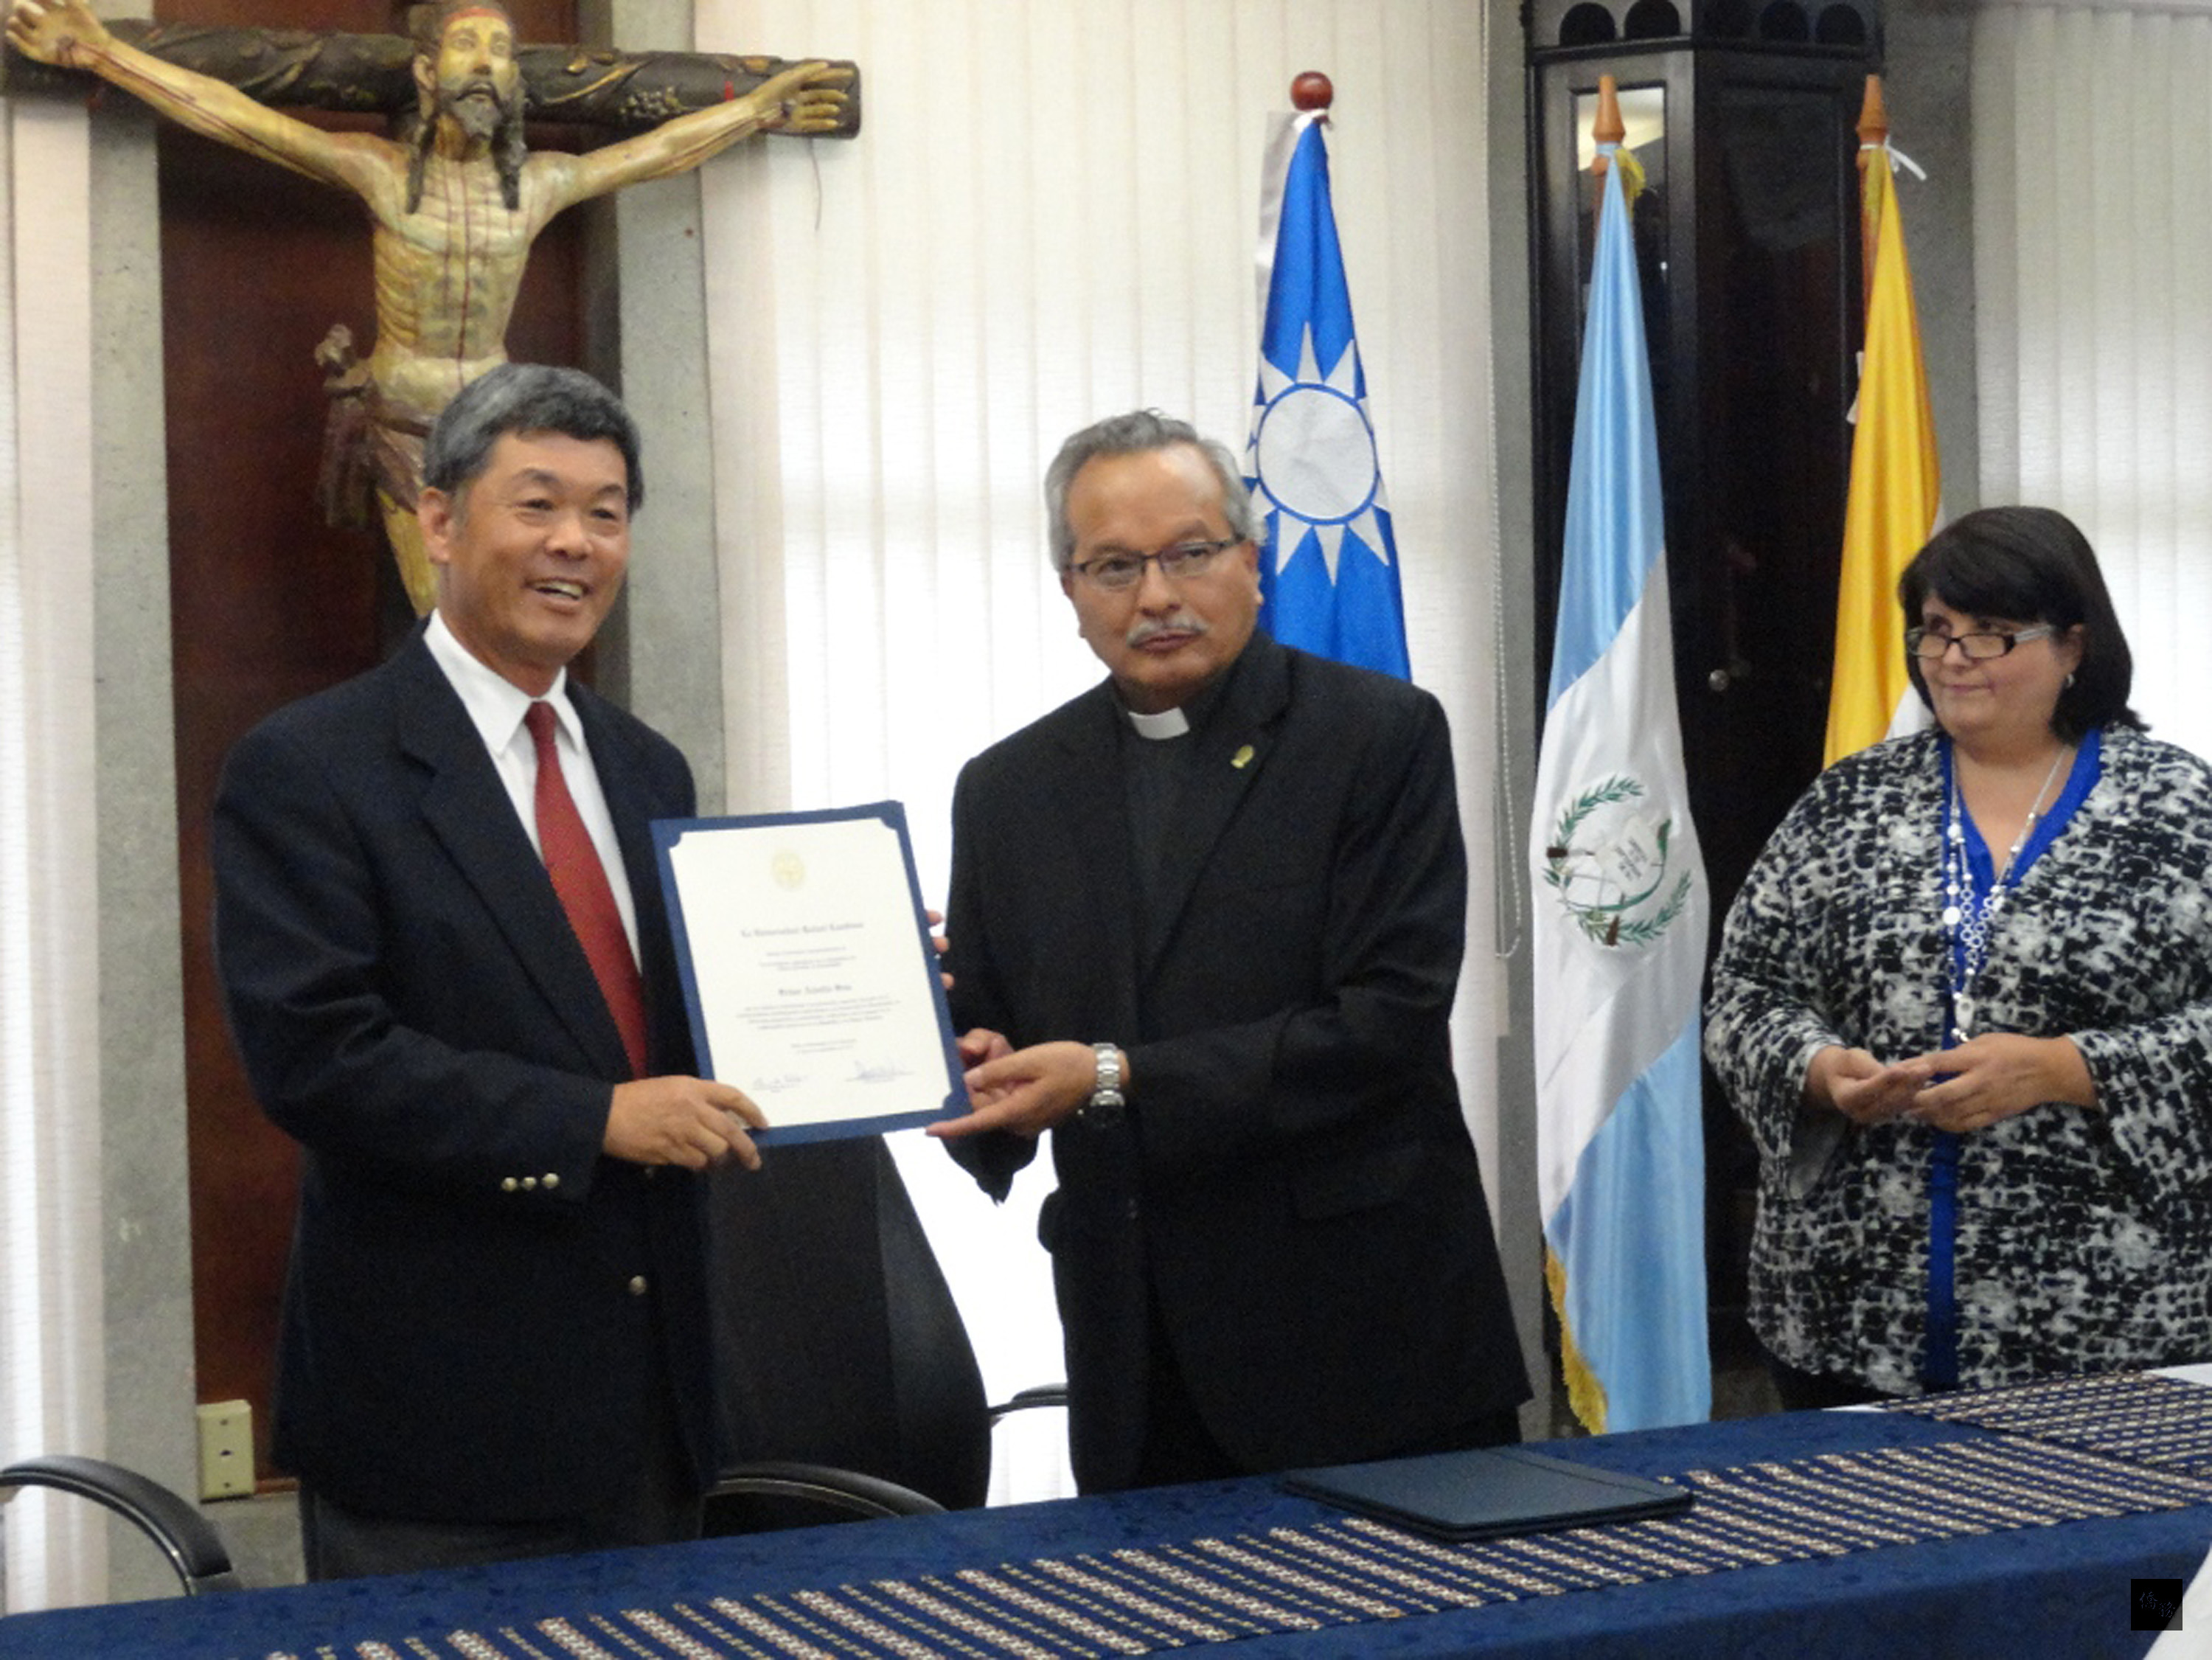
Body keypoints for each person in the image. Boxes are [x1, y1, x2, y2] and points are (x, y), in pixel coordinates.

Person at [212, 364, 765, 1579]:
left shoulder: (646, 766)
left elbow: (661, 1035)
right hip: (439, 1424)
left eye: (608, 512)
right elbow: (319, 1058)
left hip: (651, 1414)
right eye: (538, 503)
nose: (576, 541)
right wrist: (594, 1120)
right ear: (442, 519)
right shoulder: (311, 766)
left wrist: (870, 1002)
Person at [932, 409, 1528, 1493]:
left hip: (1366, 1345)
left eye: (1190, 553)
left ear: (1251, 564)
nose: (1156, 595)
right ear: (1070, 591)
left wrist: (1111, 1077)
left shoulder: (1377, 736)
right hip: (1137, 1359)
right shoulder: (1009, 789)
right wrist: (947, 1061)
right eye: (1114, 565)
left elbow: (1384, 1026)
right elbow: (998, 1059)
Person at [4, 0, 844, 613]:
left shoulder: (541, 187)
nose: (482, 63)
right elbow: (240, 121)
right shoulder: (376, 173)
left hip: (502, 434)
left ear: (516, 83)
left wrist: (763, 106)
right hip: (404, 427)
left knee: (513, 610)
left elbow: (657, 150)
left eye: (499, 51)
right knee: (441, 616)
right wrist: (106, 56)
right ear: (425, 72)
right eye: (465, 46)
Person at [1707, 505, 2212, 1408]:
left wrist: (2072, 1068)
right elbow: (1746, 991)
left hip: (2112, 1322)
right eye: (1937, 631)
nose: (1952, 660)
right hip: (1850, 1303)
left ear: (2073, 648)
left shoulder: (2176, 809)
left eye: (1991, 635)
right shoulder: (1849, 801)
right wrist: (1823, 1072)